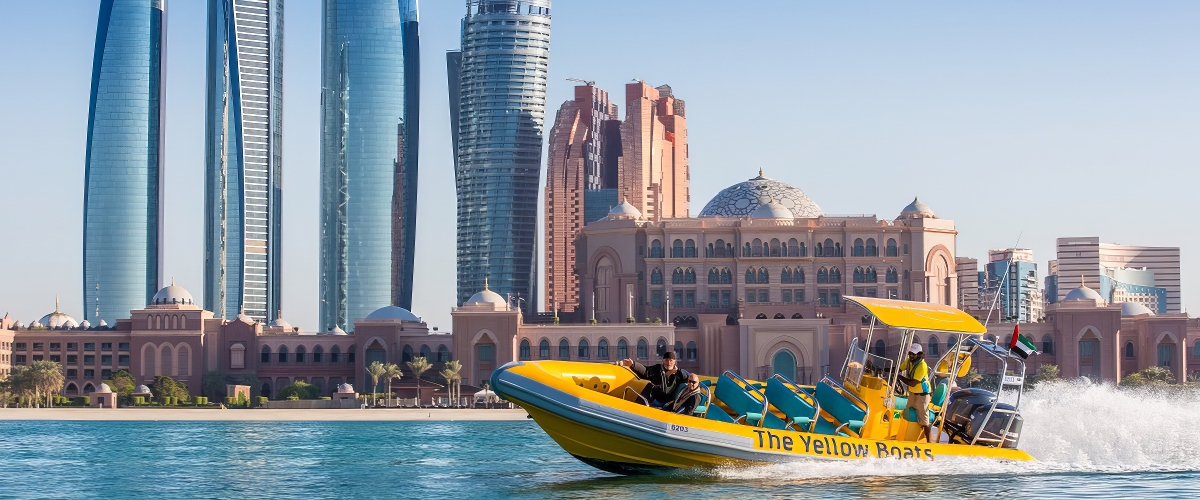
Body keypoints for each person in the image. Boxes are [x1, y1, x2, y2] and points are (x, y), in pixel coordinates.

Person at [617, 351, 689, 407]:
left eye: (671, 360)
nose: (669, 363)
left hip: (669, 402)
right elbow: (646, 371)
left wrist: (674, 372)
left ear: (675, 361)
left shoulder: (679, 373)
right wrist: (633, 364)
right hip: (656, 399)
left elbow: (687, 377)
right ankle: (638, 407)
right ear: (663, 361)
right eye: (666, 360)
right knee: (649, 386)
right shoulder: (658, 369)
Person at [897, 343, 933, 442]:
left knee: (924, 421)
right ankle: (907, 437)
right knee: (907, 414)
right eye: (910, 353)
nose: (911, 355)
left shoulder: (922, 366)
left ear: (919, 354)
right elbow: (899, 369)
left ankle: (929, 442)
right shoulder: (909, 361)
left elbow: (912, 383)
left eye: (914, 354)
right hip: (913, 394)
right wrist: (887, 370)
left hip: (922, 396)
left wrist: (899, 376)